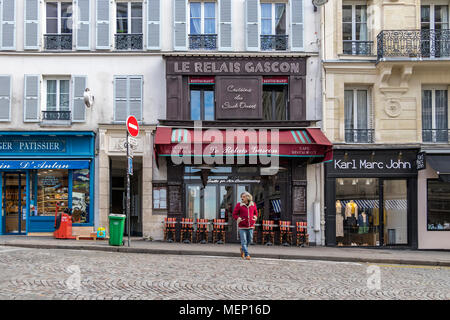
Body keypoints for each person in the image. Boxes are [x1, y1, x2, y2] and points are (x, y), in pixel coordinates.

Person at [232, 191, 258, 260]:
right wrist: (238, 218)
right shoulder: (239, 205)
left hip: (251, 226)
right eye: (241, 197)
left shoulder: (253, 204)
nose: (242, 198)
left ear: (248, 197)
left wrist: (255, 217)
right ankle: (247, 254)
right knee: (244, 241)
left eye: (243, 197)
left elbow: (256, 213)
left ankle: (242, 249)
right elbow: (234, 214)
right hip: (242, 226)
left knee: (249, 240)